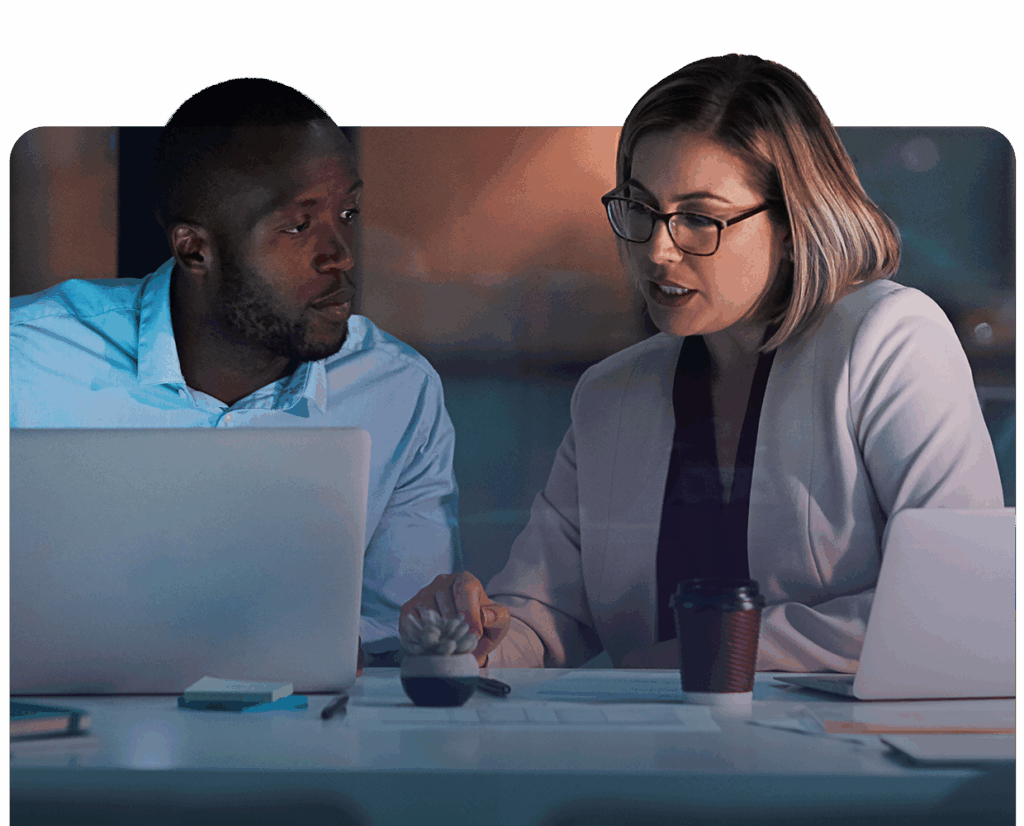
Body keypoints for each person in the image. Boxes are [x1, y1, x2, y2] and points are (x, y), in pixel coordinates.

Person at [401, 53, 1003, 674]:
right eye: (640, 207)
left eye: (699, 218)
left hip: (849, 759)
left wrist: (710, 653)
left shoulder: (892, 340)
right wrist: (470, 637)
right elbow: (542, 616)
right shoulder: (611, 394)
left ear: (794, 223)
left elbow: (962, 603)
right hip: (659, 757)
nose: (659, 250)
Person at [10, 78, 461, 663]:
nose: (341, 254)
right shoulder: (24, 359)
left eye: (347, 213)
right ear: (195, 249)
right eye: (299, 226)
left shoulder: (399, 392)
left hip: (310, 745)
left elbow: (400, 633)